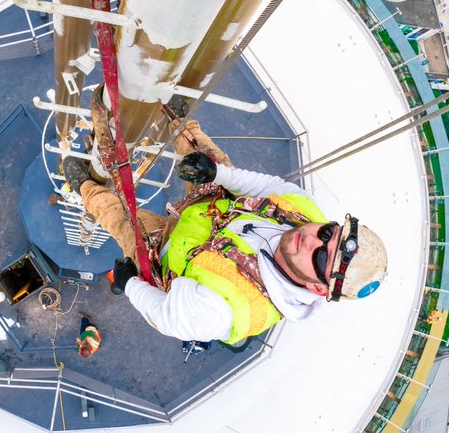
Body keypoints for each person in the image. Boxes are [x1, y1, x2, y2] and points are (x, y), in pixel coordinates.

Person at [61, 95, 387, 346]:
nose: (313, 238)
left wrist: (130, 283)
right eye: (328, 233)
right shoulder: (304, 211)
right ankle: (177, 120)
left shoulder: (226, 311)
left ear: (317, 288)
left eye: (321, 257)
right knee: (205, 155)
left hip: (166, 252)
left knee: (120, 219)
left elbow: (165, 315)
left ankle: (87, 187)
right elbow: (265, 187)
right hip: (214, 208)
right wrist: (216, 174)